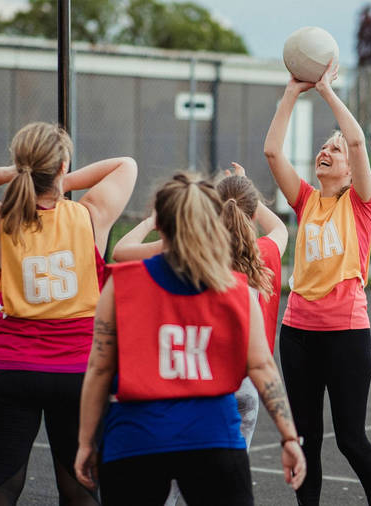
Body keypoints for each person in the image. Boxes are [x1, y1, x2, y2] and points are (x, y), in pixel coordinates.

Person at [0, 121, 137, 505]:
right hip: (79, 374)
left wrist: (16, 172)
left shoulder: (3, 220)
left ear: (21, 165)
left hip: (11, 370)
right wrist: (57, 177)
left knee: (0, 489)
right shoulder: (91, 215)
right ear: (62, 166)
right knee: (80, 490)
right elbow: (126, 164)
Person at [74, 172, 305, 506]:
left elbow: (99, 368)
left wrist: (86, 442)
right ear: (210, 225)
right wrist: (289, 437)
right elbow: (262, 367)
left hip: (137, 436)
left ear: (161, 225)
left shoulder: (122, 284)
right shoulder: (235, 291)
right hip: (212, 435)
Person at [264, 61, 371, 505]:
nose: (327, 151)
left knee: (351, 439)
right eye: (323, 147)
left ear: (352, 171)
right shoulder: (306, 200)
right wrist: (291, 92)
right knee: (306, 439)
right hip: (298, 333)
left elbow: (356, 140)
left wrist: (325, 91)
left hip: (345, 333)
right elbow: (272, 152)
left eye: (335, 150)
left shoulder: (360, 203)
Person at [111, 162, 287, 448]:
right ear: (253, 214)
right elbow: (279, 227)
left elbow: (120, 251)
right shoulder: (263, 252)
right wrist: (246, 188)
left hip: (201, 373)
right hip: (245, 382)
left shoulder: (188, 250)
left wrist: (152, 221)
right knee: (231, 468)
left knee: (183, 463)